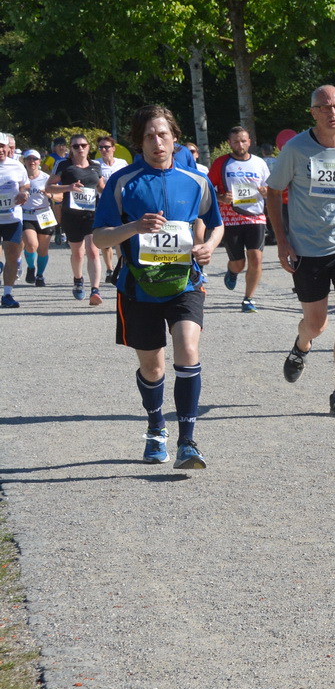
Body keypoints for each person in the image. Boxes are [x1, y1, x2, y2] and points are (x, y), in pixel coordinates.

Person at [91, 104, 223, 469]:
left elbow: (216, 223)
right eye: (149, 135)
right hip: (138, 288)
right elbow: (100, 238)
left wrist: (208, 247)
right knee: (153, 368)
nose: (157, 141)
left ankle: (188, 441)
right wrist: (133, 227)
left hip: (186, 283)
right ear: (140, 141)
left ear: (174, 137)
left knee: (187, 347)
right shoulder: (123, 182)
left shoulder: (195, 180)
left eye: (163, 134)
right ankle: (155, 427)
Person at [266, 86, 335, 418]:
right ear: (312, 112)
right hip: (308, 247)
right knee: (316, 324)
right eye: (325, 107)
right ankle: (302, 344)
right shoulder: (296, 150)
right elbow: (273, 191)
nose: (333, 113)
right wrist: (282, 241)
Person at [208, 126, 271, 312]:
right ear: (229, 143)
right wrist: (221, 198)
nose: (240, 144)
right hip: (230, 217)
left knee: (256, 258)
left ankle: (248, 298)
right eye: (236, 141)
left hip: (255, 216)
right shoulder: (221, 163)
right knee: (239, 263)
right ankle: (232, 271)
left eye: (243, 141)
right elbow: (207, 188)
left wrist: (265, 191)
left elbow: (269, 187)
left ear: (249, 142)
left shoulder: (259, 163)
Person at [57, 135, 105, 303]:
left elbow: (102, 188)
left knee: (93, 251)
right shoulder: (65, 166)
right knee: (77, 253)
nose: (80, 149)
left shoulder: (95, 167)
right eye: (76, 146)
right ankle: (78, 280)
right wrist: (69, 187)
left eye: (83, 145)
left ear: (88, 147)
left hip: (92, 214)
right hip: (71, 215)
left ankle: (95, 290)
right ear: (71, 148)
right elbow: (49, 186)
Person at [18, 149, 61, 286]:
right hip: (26, 215)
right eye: (29, 159)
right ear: (24, 161)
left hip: (44, 215)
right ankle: (31, 267)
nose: (32, 162)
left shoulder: (46, 178)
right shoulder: (20, 177)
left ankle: (40, 275)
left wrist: (50, 195)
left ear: (39, 161)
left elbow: (61, 196)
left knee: (43, 250)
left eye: (35, 159)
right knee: (31, 245)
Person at [95, 135, 125, 284]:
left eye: (106, 147)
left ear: (113, 148)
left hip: (120, 205)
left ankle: (121, 267)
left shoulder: (122, 164)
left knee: (120, 237)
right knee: (106, 239)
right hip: (103, 204)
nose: (104, 150)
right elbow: (99, 186)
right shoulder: (96, 164)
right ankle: (109, 268)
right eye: (101, 147)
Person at [0, 134, 24, 308]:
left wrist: (24, 193)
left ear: (8, 148)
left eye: (3, 146)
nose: (0, 150)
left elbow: (25, 184)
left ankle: (7, 294)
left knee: (12, 255)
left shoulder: (16, 166)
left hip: (12, 218)